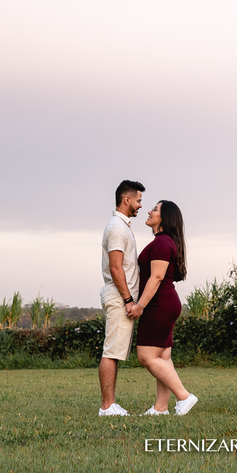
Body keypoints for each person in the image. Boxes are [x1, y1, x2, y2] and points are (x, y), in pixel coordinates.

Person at [127, 200, 198, 416]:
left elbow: (156, 277)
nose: (149, 211)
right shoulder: (165, 241)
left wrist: (140, 305)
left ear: (165, 218)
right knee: (163, 357)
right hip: (165, 303)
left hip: (159, 304)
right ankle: (161, 408)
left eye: (155, 209)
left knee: (146, 356)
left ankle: (185, 396)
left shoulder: (161, 243)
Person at [98, 179, 144, 417]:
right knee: (111, 351)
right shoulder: (117, 227)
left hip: (120, 297)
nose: (140, 206)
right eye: (138, 200)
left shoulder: (122, 226)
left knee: (114, 352)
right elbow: (116, 268)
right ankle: (107, 406)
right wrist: (128, 300)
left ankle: (111, 403)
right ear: (126, 200)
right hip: (119, 298)